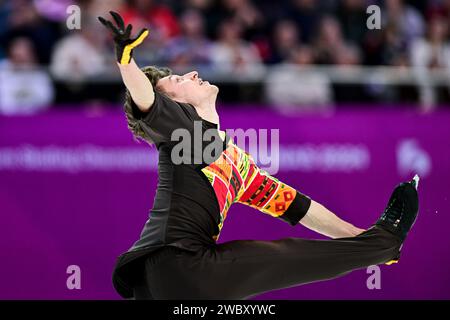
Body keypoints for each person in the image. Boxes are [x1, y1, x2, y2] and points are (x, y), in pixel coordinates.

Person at [98, 12, 420, 300]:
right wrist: (126, 61)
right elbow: (145, 98)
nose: (192, 73)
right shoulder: (183, 130)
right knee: (286, 255)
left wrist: (360, 239)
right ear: (172, 106)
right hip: (180, 264)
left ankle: (380, 243)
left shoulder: (239, 168)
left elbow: (303, 210)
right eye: (178, 80)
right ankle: (385, 241)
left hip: (163, 283)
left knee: (291, 256)